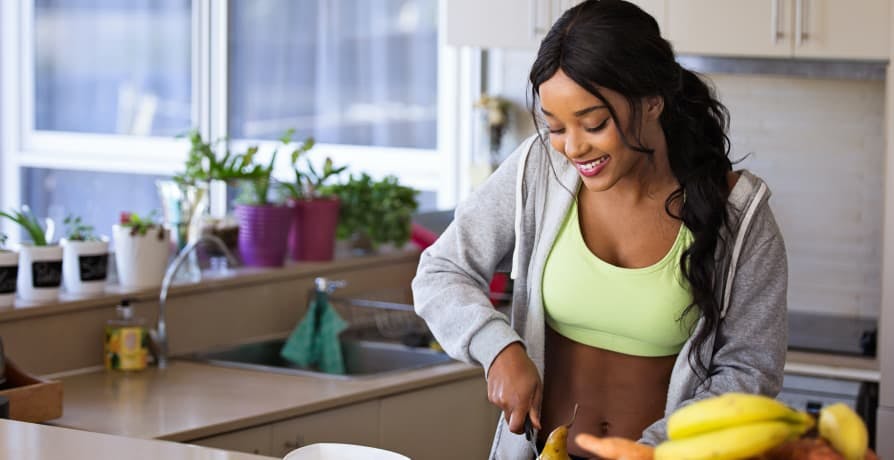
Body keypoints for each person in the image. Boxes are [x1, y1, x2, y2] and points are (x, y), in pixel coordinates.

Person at [412, 0, 788, 458]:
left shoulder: (739, 213)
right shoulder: (538, 169)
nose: (573, 148)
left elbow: (751, 371)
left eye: (593, 124)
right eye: (555, 127)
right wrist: (498, 347)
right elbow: (440, 271)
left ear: (652, 102)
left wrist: (651, 449)